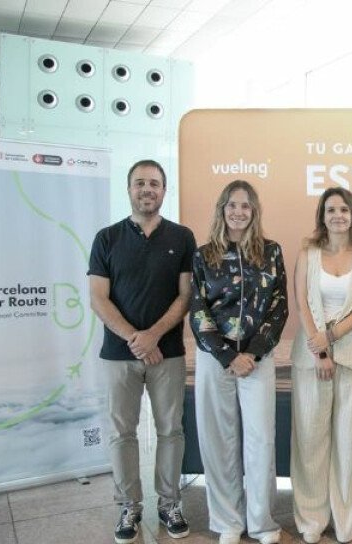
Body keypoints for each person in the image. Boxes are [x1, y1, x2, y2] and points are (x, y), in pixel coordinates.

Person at [88, 159, 196, 544]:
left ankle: (169, 503)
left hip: (168, 354)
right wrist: (136, 338)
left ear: (164, 190)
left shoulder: (182, 237)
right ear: (129, 189)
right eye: (140, 183)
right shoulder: (106, 238)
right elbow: (98, 298)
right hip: (119, 356)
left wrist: (153, 335)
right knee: (122, 432)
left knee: (171, 430)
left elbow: (186, 296)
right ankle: (129, 506)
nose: (147, 189)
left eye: (154, 183)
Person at [189, 180, 288, 544]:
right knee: (219, 440)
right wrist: (227, 355)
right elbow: (197, 310)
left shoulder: (271, 252)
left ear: (254, 211)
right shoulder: (204, 256)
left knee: (260, 440)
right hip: (215, 358)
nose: (238, 212)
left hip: (257, 359)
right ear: (222, 209)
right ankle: (227, 521)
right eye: (232, 205)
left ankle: (262, 523)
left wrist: (253, 353)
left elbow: (279, 307)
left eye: (245, 205)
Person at [290, 187, 352, 544]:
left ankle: (344, 521)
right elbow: (302, 303)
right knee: (310, 440)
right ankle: (311, 520)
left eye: (344, 209)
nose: (338, 215)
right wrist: (321, 352)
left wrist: (331, 337)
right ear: (322, 216)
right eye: (330, 210)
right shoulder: (307, 254)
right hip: (311, 357)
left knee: (350, 442)